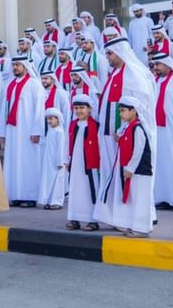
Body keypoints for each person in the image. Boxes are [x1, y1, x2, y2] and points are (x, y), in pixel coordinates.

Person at [98, 35, 156, 196]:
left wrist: (124, 130)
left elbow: (140, 109)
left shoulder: (134, 76)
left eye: (110, 53)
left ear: (120, 52)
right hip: (111, 134)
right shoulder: (115, 73)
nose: (107, 57)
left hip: (127, 135)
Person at [95, 96, 155, 237]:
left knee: (140, 200)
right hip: (133, 171)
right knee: (133, 199)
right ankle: (133, 226)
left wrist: (130, 168)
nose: (120, 114)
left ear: (133, 111)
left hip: (140, 171)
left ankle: (142, 229)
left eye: (123, 111)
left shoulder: (138, 128)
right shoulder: (129, 127)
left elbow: (138, 150)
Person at [0, 55, 45, 208]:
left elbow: (39, 109)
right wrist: (2, 132)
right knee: (13, 162)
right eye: (14, 65)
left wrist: (37, 130)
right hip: (12, 130)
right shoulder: (9, 85)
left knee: (28, 162)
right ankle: (15, 195)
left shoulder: (34, 84)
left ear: (25, 66)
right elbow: (4, 109)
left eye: (18, 65)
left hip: (28, 130)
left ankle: (30, 196)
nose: (15, 67)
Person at [151, 52, 173, 212]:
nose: (155, 68)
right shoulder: (156, 81)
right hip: (159, 130)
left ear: (167, 64)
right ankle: (163, 198)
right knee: (161, 164)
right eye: (154, 65)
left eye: (158, 64)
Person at [65, 95, 101, 231]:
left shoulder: (95, 126)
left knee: (90, 191)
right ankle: (74, 218)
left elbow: (100, 146)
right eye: (76, 108)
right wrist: (66, 160)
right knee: (75, 190)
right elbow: (67, 143)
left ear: (90, 109)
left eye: (82, 108)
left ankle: (92, 220)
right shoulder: (73, 125)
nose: (79, 111)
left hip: (90, 166)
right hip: (75, 164)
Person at [39, 108, 68, 210]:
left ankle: (56, 202)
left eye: (51, 118)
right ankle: (49, 201)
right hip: (49, 161)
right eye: (48, 119)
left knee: (57, 183)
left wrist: (60, 161)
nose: (49, 121)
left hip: (57, 162)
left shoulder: (60, 132)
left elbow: (61, 148)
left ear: (57, 119)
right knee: (49, 182)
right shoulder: (50, 131)